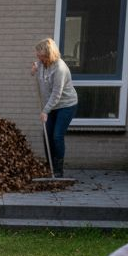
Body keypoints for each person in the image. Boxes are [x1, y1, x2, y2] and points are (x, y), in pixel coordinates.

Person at [29, 38, 78, 177]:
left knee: (57, 135)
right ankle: (49, 165)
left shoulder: (60, 68)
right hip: (51, 106)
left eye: (40, 56)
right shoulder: (42, 63)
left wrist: (45, 110)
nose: (38, 58)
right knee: (46, 134)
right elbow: (35, 71)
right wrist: (33, 70)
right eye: (37, 56)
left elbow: (57, 94)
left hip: (66, 105)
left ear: (48, 54)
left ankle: (58, 170)